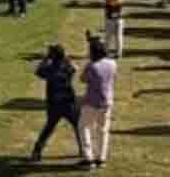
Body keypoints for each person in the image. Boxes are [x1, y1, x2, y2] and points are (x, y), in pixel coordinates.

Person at [31, 44, 83, 163]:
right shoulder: (67, 68)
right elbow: (75, 68)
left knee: (48, 128)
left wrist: (45, 59)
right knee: (79, 126)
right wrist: (66, 58)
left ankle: (37, 151)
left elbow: (38, 71)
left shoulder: (49, 69)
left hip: (54, 103)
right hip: (69, 102)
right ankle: (83, 149)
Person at [79, 35, 117, 169]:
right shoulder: (112, 63)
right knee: (103, 130)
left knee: (84, 127)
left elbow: (82, 79)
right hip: (107, 101)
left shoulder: (92, 66)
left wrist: (88, 64)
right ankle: (101, 158)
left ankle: (88, 158)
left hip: (91, 102)